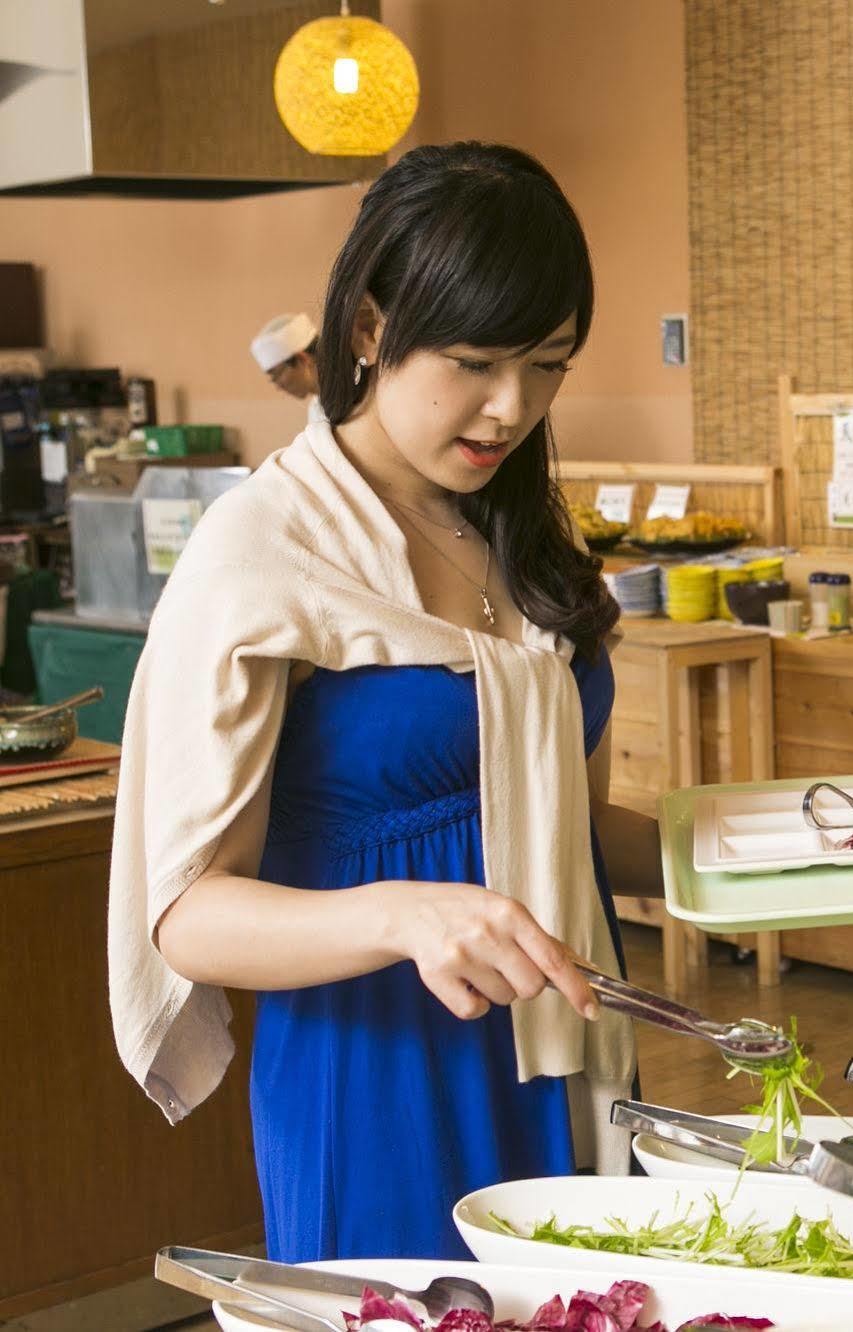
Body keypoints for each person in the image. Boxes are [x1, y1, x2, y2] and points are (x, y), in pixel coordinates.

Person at [111, 142, 665, 1262]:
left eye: (549, 364)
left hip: (567, 1049)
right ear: (368, 329)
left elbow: (566, 832)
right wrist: (406, 915)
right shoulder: (261, 555)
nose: (512, 407)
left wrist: (802, 845)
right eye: (474, 361)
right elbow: (186, 916)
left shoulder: (525, 538)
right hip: (380, 1074)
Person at [250, 311, 327, 423]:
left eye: (276, 374)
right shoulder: (316, 409)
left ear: (302, 359)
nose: (278, 386)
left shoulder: (351, 396)